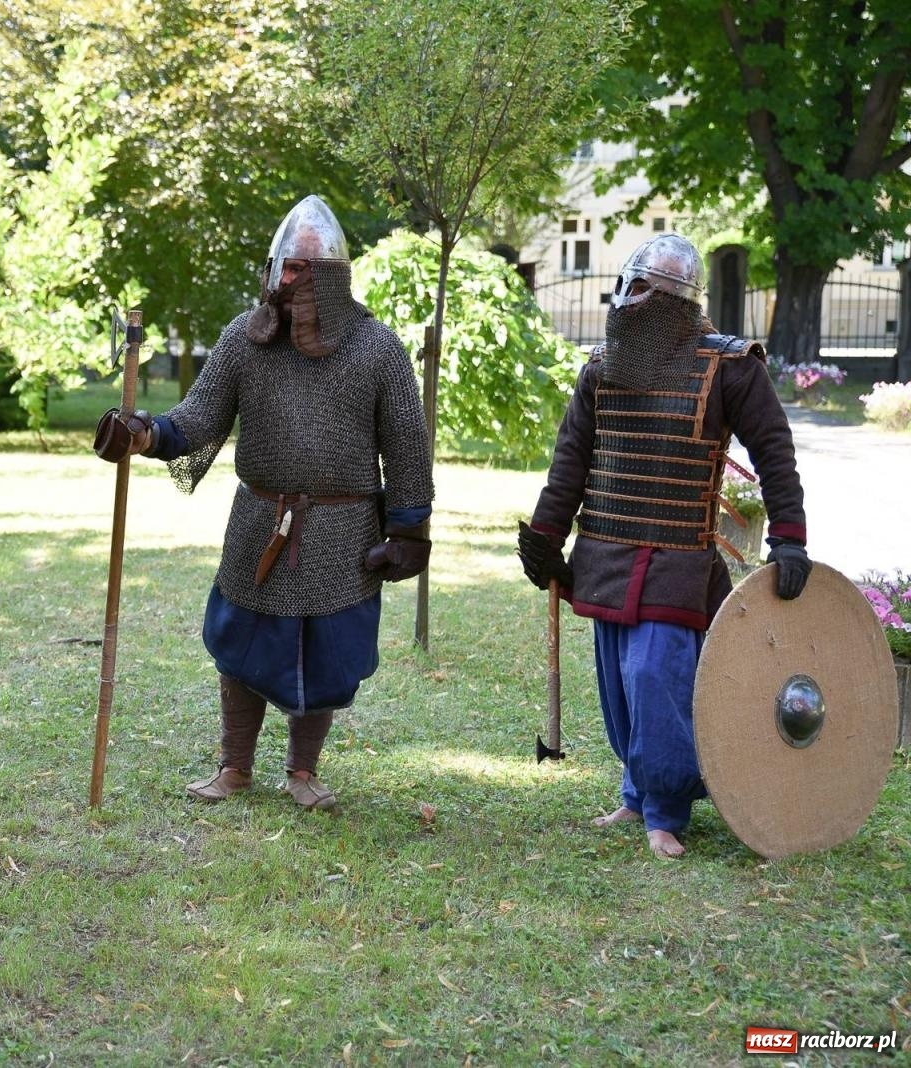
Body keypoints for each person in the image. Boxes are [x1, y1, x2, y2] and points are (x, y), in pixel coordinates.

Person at [94, 195, 435, 810]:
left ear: (331, 275)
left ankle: (303, 772)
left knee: (329, 655)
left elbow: (407, 446)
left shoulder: (377, 349)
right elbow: (198, 418)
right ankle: (235, 766)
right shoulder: (243, 341)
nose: (285, 280)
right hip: (259, 521)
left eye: (301, 269)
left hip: (343, 530)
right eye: (281, 266)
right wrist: (144, 433)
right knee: (240, 644)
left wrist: (410, 528)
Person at [516, 233, 809, 859]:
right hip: (605, 553)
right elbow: (571, 460)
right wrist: (545, 538)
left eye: (640, 287)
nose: (625, 298)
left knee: (656, 678)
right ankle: (635, 790)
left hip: (677, 560)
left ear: (673, 298)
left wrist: (789, 537)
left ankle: (666, 807)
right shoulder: (603, 365)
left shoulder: (729, 366)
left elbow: (775, 456)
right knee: (621, 689)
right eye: (627, 284)